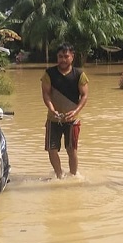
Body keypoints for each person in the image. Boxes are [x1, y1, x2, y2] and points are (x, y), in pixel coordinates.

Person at [41, 43, 89, 179]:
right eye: (60, 56)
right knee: (51, 149)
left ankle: (73, 176)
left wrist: (76, 111)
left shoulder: (79, 74)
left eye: (66, 56)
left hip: (72, 119)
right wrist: (51, 109)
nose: (63, 59)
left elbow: (84, 95)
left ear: (72, 57)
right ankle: (59, 175)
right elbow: (46, 94)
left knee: (71, 150)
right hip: (53, 118)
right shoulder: (48, 74)